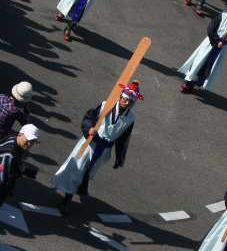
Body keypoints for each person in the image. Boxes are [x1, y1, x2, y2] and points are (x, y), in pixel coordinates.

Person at [51, 81, 142, 214]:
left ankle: (77, 188)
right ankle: (67, 199)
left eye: (131, 102)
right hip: (90, 144)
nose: (127, 104)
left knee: (88, 173)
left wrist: (119, 159)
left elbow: (123, 140)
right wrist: (89, 129)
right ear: (121, 97)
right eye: (126, 100)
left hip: (104, 151)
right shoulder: (106, 105)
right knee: (76, 170)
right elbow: (89, 118)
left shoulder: (130, 119)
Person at [179, 0, 227, 93]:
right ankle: (187, 82)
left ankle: (193, 85)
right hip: (211, 42)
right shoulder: (222, 15)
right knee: (199, 62)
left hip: (222, 48)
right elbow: (210, 29)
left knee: (209, 67)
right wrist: (217, 41)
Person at [0, 124, 39, 207]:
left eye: (32, 141)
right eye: (28, 139)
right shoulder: (9, 155)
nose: (29, 143)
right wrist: (17, 174)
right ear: (20, 135)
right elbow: (3, 180)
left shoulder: (13, 139)